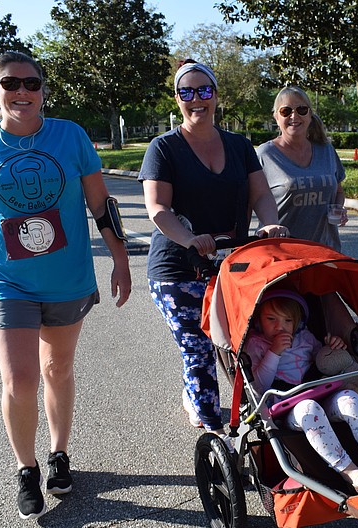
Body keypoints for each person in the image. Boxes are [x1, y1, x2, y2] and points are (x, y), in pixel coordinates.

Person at [0, 51, 131, 520]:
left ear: (43, 90)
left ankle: (59, 453)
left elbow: (101, 204)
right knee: (20, 379)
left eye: (31, 83)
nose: (21, 91)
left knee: (57, 370)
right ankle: (26, 468)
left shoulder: (71, 135)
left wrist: (121, 258)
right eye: (10, 83)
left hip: (67, 279)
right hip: (6, 281)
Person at [139, 59, 289, 441]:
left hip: (231, 264)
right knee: (199, 349)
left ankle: (259, 410)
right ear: (177, 99)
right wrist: (189, 238)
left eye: (204, 90)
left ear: (216, 95)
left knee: (238, 343)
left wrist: (268, 224)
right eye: (186, 92)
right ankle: (215, 431)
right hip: (178, 268)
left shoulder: (238, 146)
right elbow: (158, 208)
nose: (197, 99)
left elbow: (260, 194)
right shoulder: (164, 148)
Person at [244, 290, 358, 494]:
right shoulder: (255, 344)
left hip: (321, 393)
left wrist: (333, 346)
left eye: (287, 321)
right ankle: (352, 473)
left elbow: (324, 361)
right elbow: (258, 386)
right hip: (286, 408)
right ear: (258, 320)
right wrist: (274, 352)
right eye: (271, 319)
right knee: (308, 408)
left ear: (297, 323)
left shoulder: (305, 338)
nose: (280, 326)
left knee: (350, 398)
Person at [257, 86, 348, 251]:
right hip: (281, 253)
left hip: (326, 251)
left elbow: (339, 192)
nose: (294, 116)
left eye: (301, 109)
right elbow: (250, 201)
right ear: (276, 117)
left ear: (310, 114)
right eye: (286, 111)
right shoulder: (265, 154)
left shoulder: (326, 150)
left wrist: (338, 209)